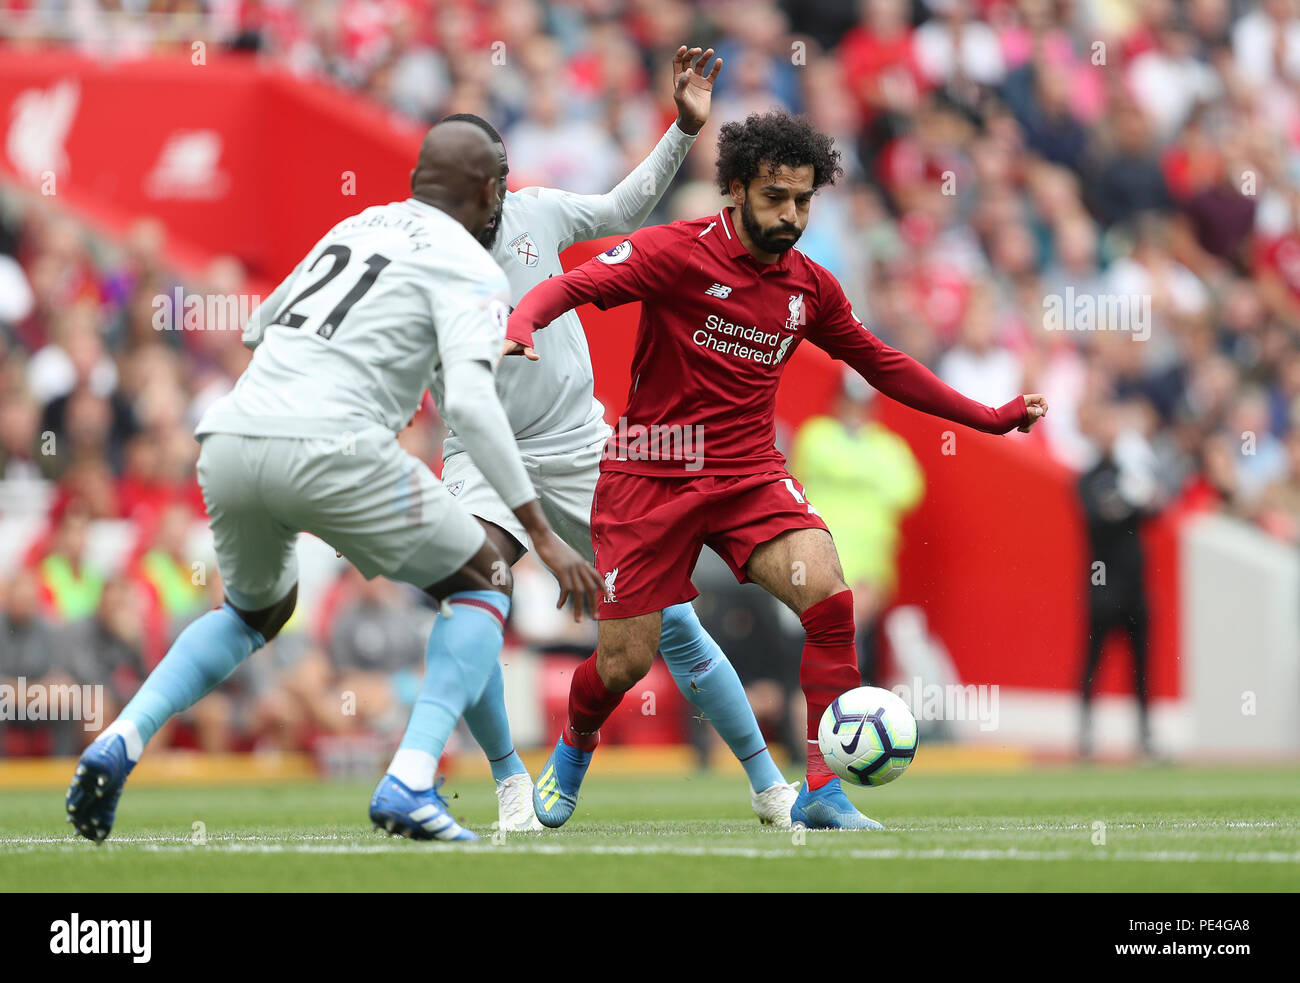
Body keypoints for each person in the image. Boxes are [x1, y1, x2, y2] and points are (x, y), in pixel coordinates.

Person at [506, 109, 1047, 830]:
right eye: (774, 198)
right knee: (624, 664)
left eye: (802, 200)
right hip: (648, 473)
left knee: (828, 595)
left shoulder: (808, 288)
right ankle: (574, 748)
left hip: (746, 474)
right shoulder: (676, 251)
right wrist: (523, 320)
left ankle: (823, 789)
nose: (790, 215)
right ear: (734, 189)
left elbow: (880, 362)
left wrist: (987, 415)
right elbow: (572, 284)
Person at [65, 120, 604, 844]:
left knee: (253, 612)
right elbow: (472, 406)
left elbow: (257, 326)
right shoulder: (473, 265)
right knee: (483, 582)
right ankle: (413, 777)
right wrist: (540, 532)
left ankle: (119, 740)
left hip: (232, 435)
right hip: (331, 444)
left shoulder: (353, 226)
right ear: (490, 192)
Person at [438, 46, 802, 831]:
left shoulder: (537, 210)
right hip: (479, 449)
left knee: (671, 625)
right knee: (472, 592)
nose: (477, 195)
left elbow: (621, 214)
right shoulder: (418, 250)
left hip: (580, 447)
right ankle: (506, 782)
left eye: (485, 179)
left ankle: (769, 784)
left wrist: (681, 128)